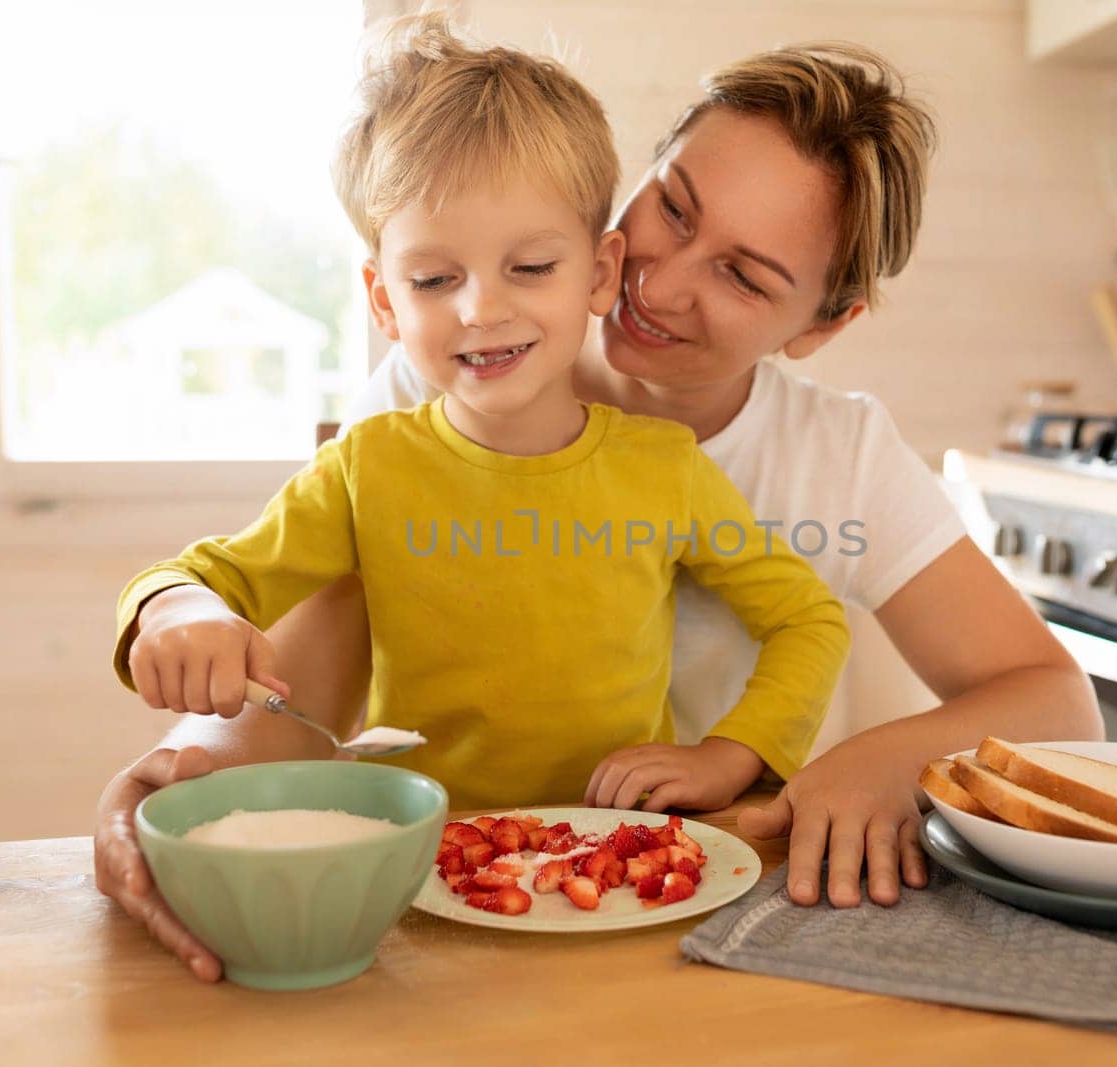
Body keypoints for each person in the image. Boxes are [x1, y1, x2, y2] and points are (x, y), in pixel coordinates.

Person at [96, 34, 1101, 984]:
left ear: (822, 324)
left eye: (744, 276)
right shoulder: (442, 394)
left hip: (712, 915)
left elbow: (1057, 702)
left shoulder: (839, 454)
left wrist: (882, 757)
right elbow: (297, 691)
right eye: (670, 206)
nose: (656, 280)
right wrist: (180, 782)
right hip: (468, 910)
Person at [114, 17, 849, 822]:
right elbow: (201, 579)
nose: (481, 309)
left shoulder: (665, 469)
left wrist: (729, 754)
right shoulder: (367, 467)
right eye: (433, 278)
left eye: (530, 267)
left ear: (601, 273)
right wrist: (179, 611)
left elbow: (808, 619)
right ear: (385, 301)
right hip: (422, 866)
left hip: (620, 866)